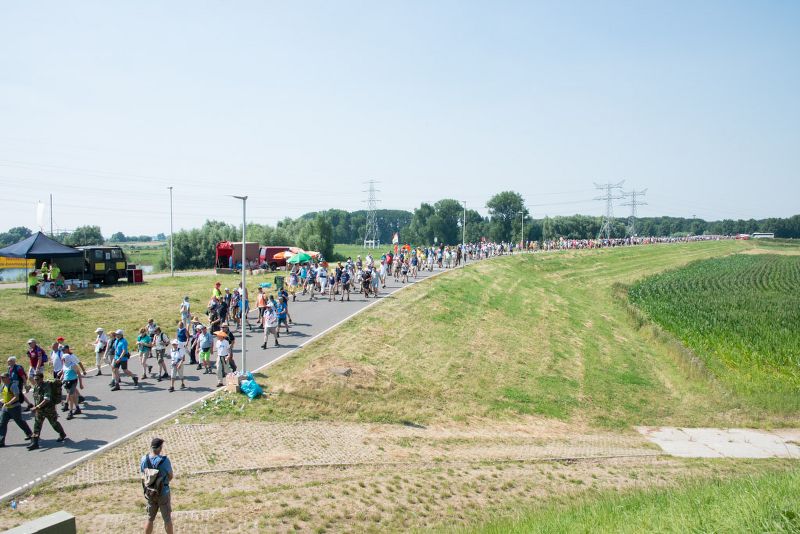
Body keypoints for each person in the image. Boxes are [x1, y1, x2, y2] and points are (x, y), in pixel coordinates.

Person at [140, 437, 174, 534]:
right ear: (159, 448)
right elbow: (171, 476)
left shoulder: (144, 459)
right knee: (167, 519)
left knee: (150, 518)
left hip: (150, 492)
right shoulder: (164, 461)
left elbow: (143, 475)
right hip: (163, 493)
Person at [28, 372, 66, 450]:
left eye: (37, 379)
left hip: (49, 409)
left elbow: (47, 399)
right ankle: (35, 443)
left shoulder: (46, 386)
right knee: (37, 425)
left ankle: (62, 433)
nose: (36, 381)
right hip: (40, 410)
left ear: (42, 379)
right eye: (35, 379)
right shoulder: (36, 386)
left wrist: (37, 407)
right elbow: (36, 398)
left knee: (54, 424)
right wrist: (36, 407)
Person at [0, 371, 33, 447]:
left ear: (8, 378)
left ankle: (29, 434)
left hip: (14, 408)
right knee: (2, 423)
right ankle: (1, 441)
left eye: (3, 378)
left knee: (19, 421)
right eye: (1, 378)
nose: (2, 379)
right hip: (6, 408)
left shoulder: (13, 385)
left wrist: (9, 403)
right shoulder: (3, 386)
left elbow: (16, 397)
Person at [61, 345, 84, 420]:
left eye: (64, 359)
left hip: (73, 381)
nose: (63, 360)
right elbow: (64, 374)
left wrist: (81, 384)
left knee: (71, 396)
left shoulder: (73, 365)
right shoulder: (64, 365)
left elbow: (79, 374)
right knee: (73, 396)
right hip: (66, 382)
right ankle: (77, 408)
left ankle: (70, 412)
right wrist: (60, 380)